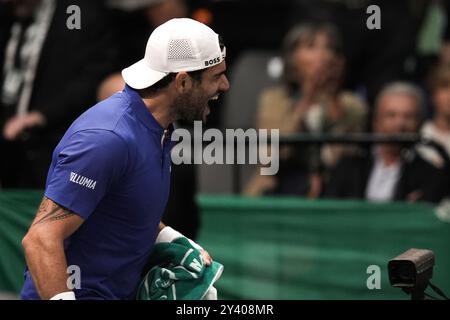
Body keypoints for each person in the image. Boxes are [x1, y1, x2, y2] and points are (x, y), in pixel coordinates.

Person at [20, 18, 229, 300]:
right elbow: (41, 238)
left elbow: (119, 205)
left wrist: (172, 239)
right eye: (216, 76)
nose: (225, 85)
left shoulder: (158, 130)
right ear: (182, 81)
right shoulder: (108, 138)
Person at [0, 0, 118, 188]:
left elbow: (93, 78)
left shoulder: (80, 14)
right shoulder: (8, 15)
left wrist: (42, 115)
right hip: (11, 149)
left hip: (59, 142)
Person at [243, 23, 367, 197]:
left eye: (329, 48)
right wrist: (308, 96)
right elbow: (270, 157)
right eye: (311, 47)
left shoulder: (351, 104)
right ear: (292, 60)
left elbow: (346, 156)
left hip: (333, 192)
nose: (323, 55)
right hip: (278, 189)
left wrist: (332, 98)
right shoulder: (274, 100)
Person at [325, 82, 447, 203]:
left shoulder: (430, 175)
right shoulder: (350, 167)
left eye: (408, 116)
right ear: (376, 122)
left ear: (419, 124)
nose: (400, 124)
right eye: (391, 115)